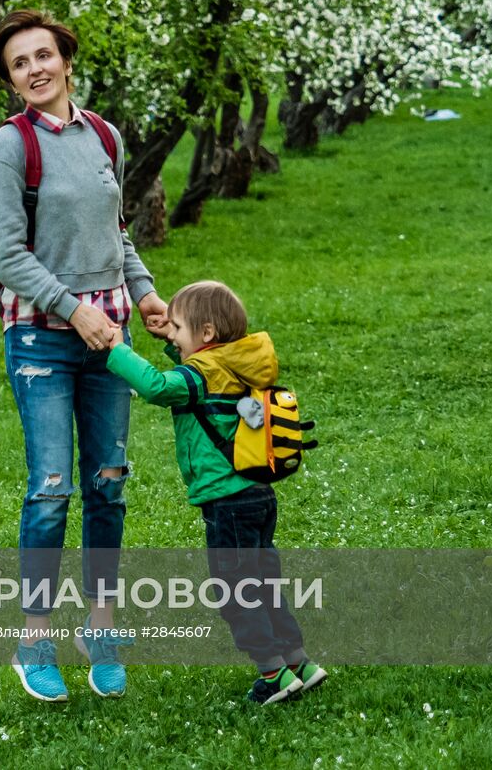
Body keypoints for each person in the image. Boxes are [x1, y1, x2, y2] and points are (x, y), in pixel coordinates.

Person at [0, 9, 167, 702]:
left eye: (42, 55)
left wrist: (143, 294)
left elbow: (114, 233)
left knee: (109, 482)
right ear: (11, 80)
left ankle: (101, 627)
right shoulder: (9, 147)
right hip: (41, 340)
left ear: (65, 60)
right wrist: (72, 307)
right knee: (52, 485)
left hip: (110, 336)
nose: (34, 69)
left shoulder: (104, 136)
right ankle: (33, 640)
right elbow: (6, 255)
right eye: (19, 64)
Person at [104, 280, 328, 704]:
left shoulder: (201, 374)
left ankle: (273, 673)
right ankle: (300, 662)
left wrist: (118, 350)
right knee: (263, 585)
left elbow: (157, 386)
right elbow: (196, 380)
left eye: (178, 328)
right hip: (259, 496)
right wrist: (172, 342)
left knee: (236, 593)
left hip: (227, 502)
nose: (172, 333)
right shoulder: (236, 366)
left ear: (206, 334)